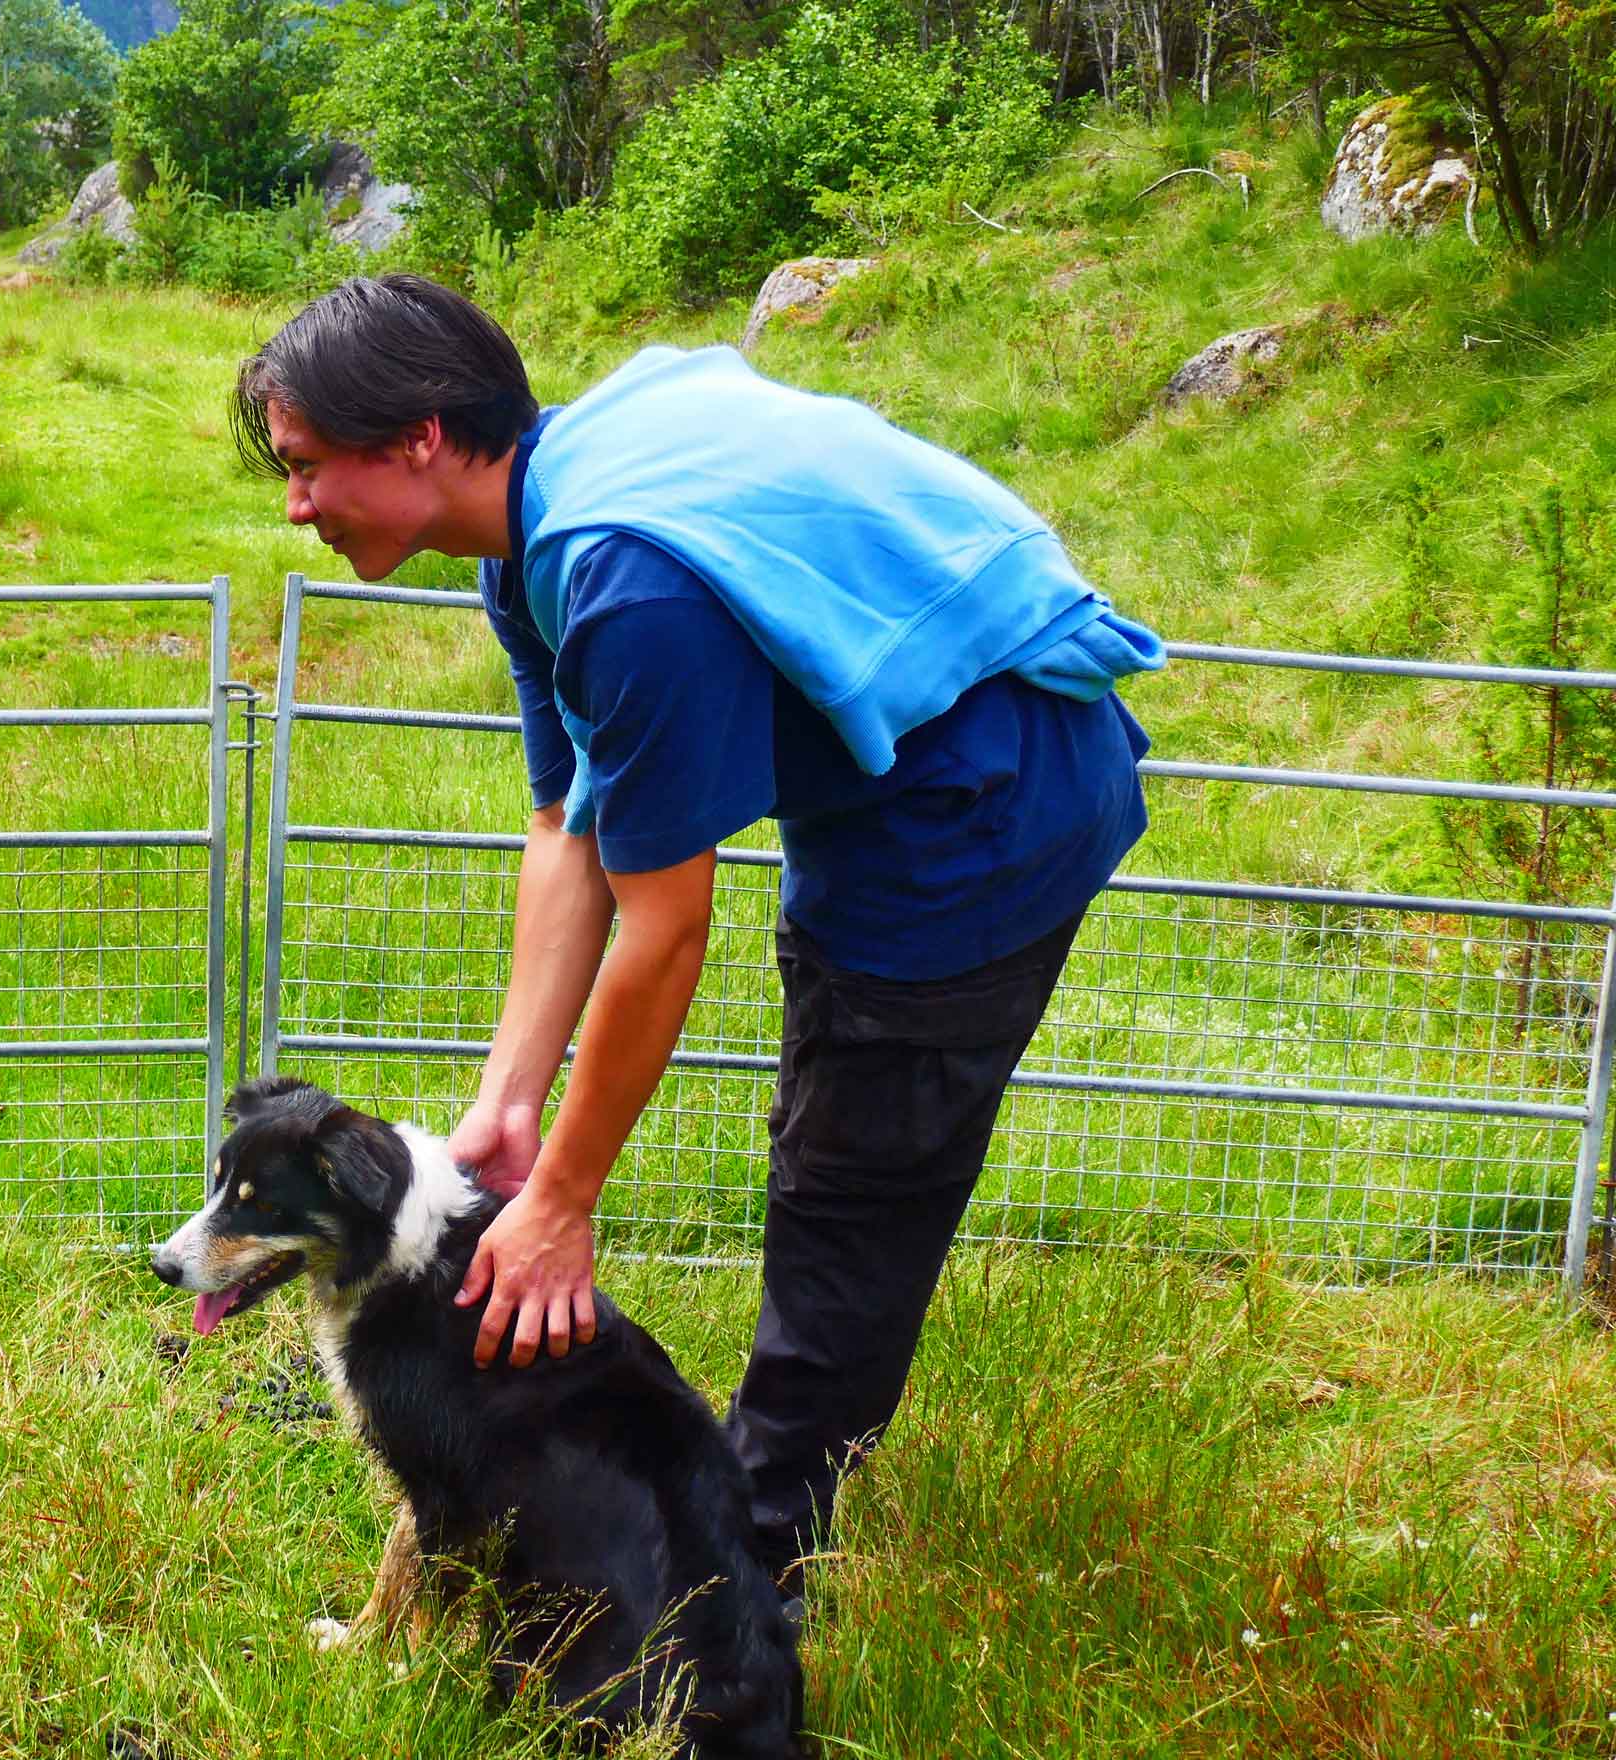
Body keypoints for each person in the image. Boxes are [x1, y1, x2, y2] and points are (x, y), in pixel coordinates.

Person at [228, 273, 1161, 1615]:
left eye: (310, 468)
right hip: (891, 773)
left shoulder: (622, 584)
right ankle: (728, 1534)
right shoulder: (526, 541)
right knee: (832, 1122)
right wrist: (509, 1103)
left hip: (990, 802)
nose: (297, 506)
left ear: (418, 437)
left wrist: (560, 1206)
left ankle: (744, 1586)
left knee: (850, 1176)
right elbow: (569, 827)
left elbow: (664, 932)